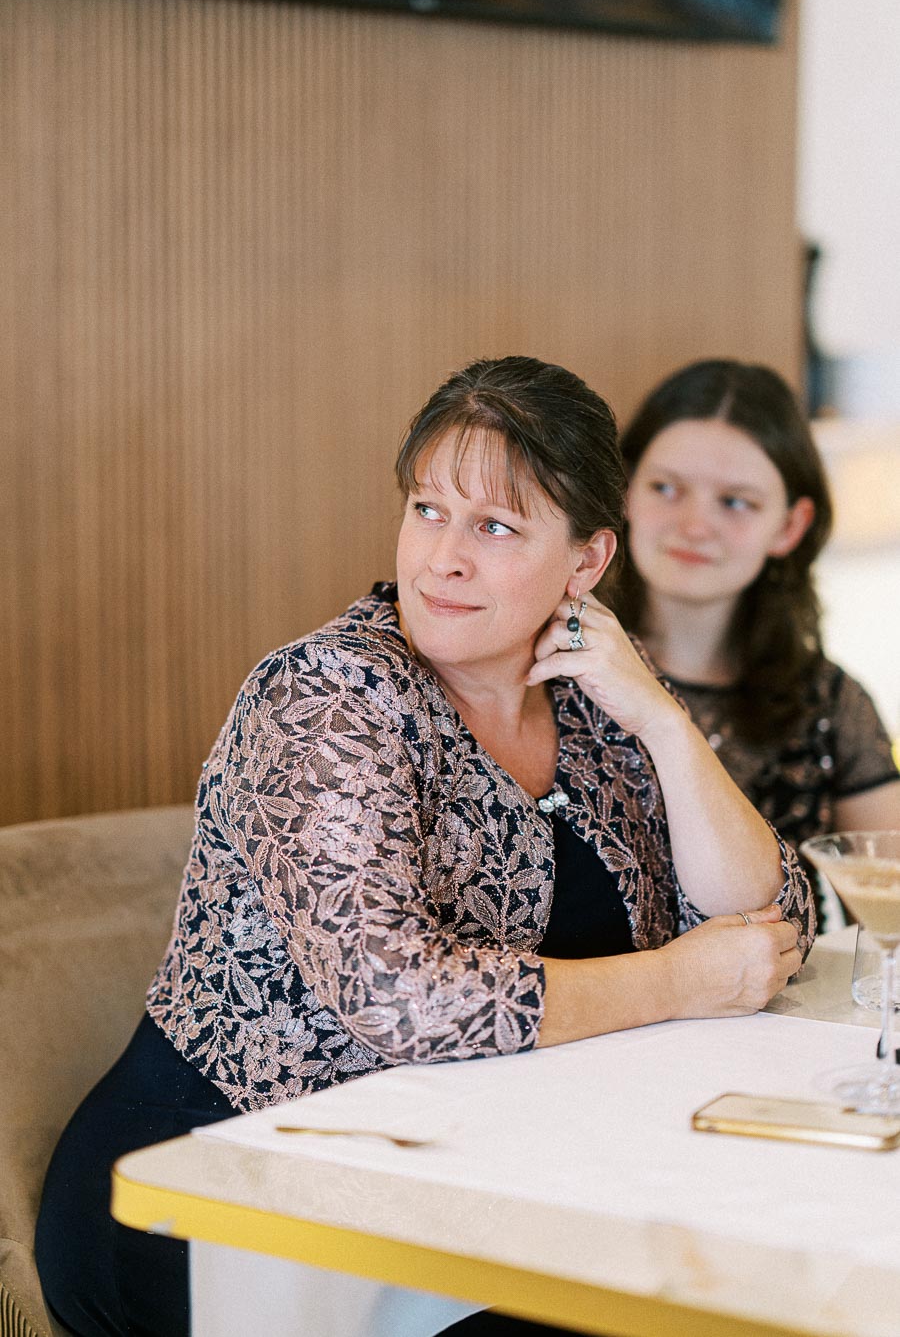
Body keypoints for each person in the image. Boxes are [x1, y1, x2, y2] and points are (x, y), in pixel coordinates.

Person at [37, 356, 814, 1337]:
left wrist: (664, 722)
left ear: (585, 564)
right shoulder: (325, 698)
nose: (444, 558)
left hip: (462, 1176)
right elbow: (402, 999)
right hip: (225, 1194)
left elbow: (763, 915)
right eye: (428, 510)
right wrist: (681, 981)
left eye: (494, 528)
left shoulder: (595, 687)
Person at [617, 358, 900, 926]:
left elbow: (892, 912)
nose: (694, 526)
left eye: (736, 501)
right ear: (622, 492)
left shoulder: (830, 704)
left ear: (789, 527)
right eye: (666, 488)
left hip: (783, 1010)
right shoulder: (548, 669)